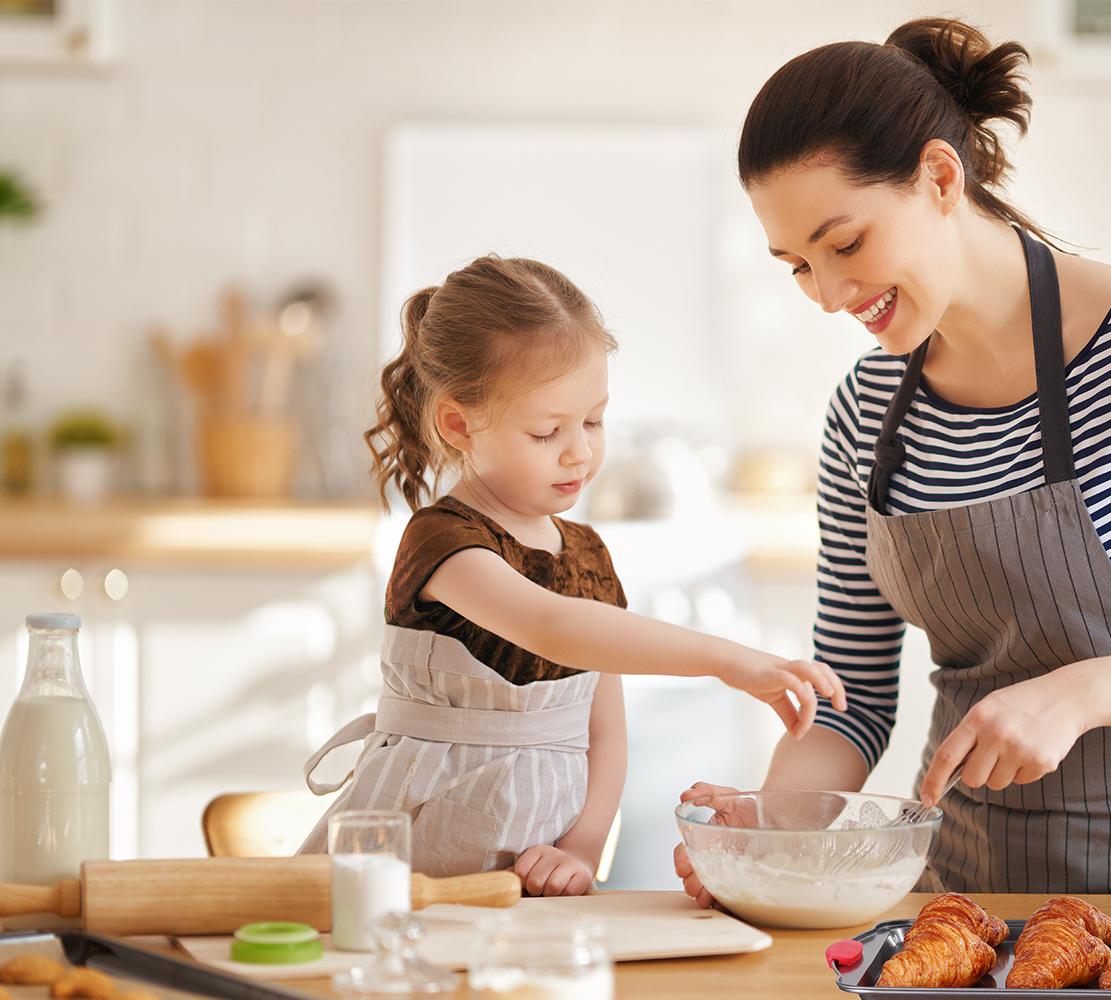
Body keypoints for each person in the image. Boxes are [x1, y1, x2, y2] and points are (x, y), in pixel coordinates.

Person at [676, 18, 1111, 899]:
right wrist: (764, 831)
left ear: (940, 178)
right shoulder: (866, 412)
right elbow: (856, 699)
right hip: (958, 890)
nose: (830, 295)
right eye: (797, 265)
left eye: (845, 244)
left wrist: (1078, 696)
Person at [298, 255, 845, 895]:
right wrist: (730, 662)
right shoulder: (445, 542)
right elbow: (552, 627)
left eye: (593, 421)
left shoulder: (588, 555)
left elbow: (606, 733)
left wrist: (582, 849)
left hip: (532, 883)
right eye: (547, 430)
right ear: (458, 423)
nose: (580, 451)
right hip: (410, 866)